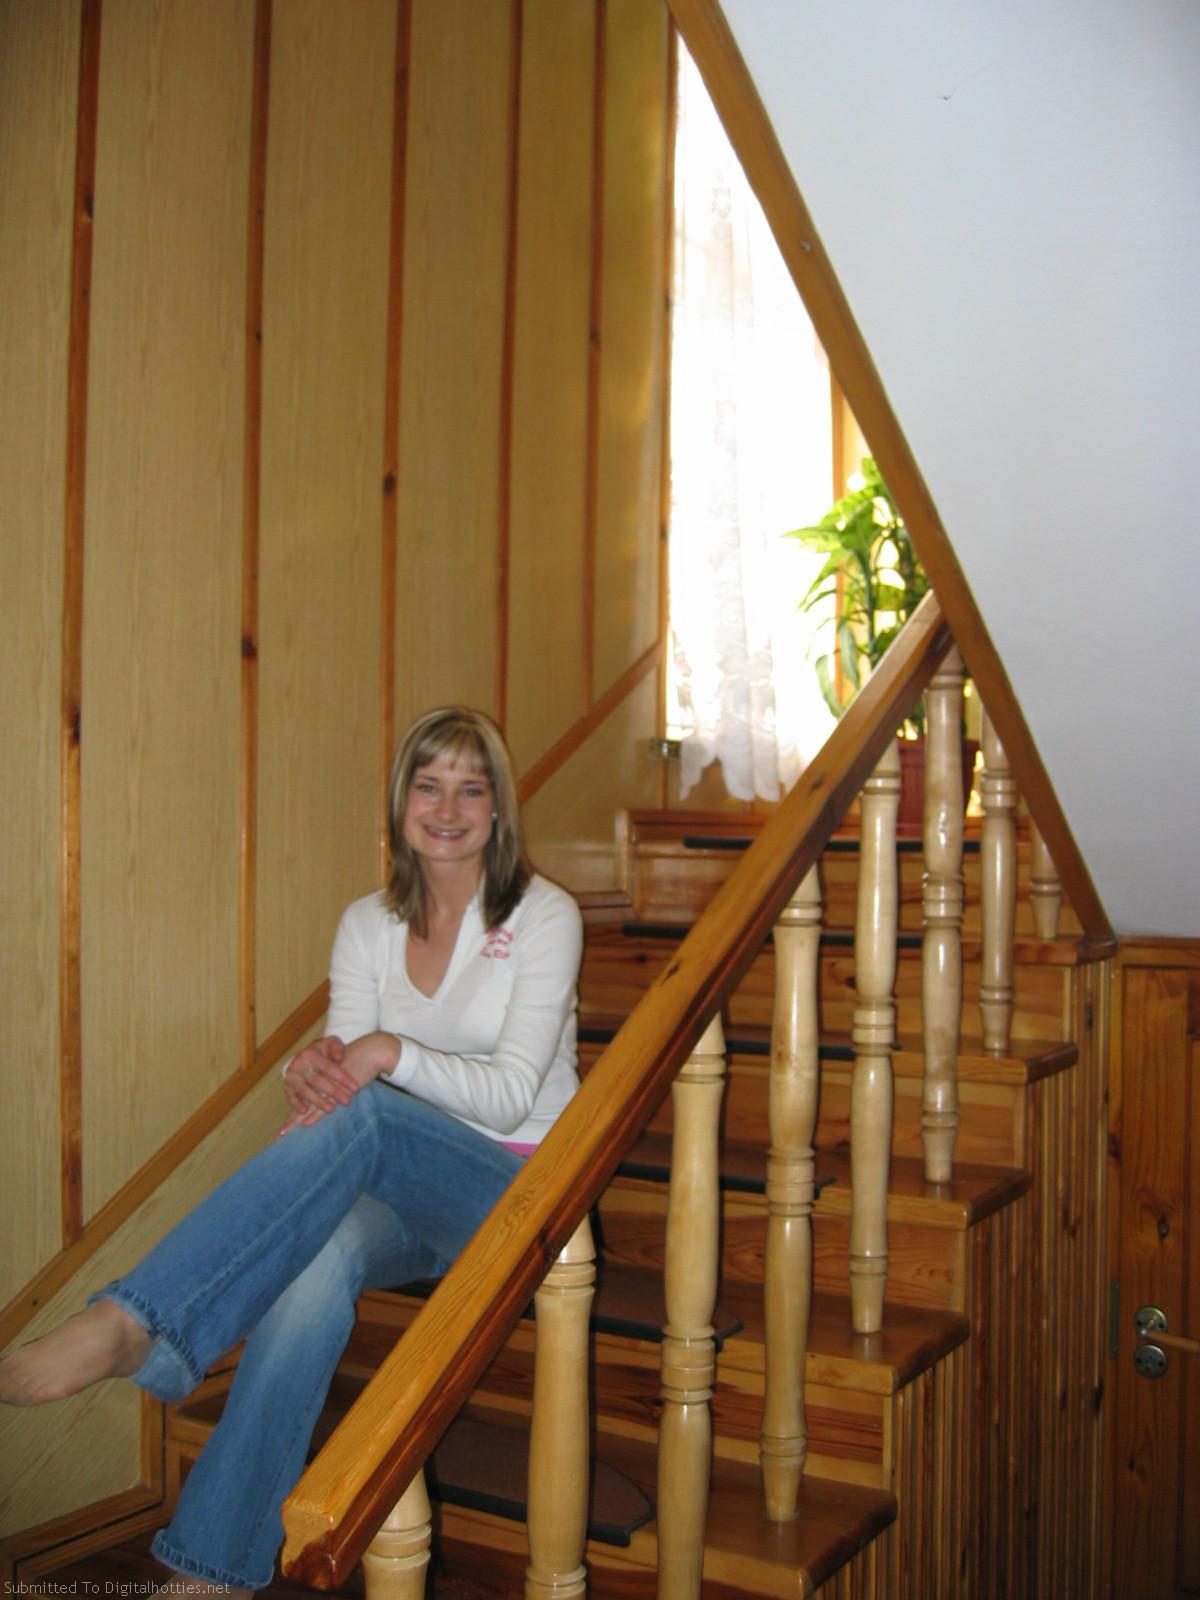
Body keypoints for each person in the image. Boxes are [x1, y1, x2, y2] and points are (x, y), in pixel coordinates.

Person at [0, 707, 584, 1596]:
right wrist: (312, 1073)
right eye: (428, 785)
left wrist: (382, 1054)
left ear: (499, 807)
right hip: (406, 1188)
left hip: (518, 1185)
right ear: (399, 803)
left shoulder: (545, 916)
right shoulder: (367, 924)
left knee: (369, 1113)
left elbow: (502, 1093)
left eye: (471, 789)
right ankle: (212, 1567)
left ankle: (136, 1322)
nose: (447, 808)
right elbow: (348, 1075)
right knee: (319, 1256)